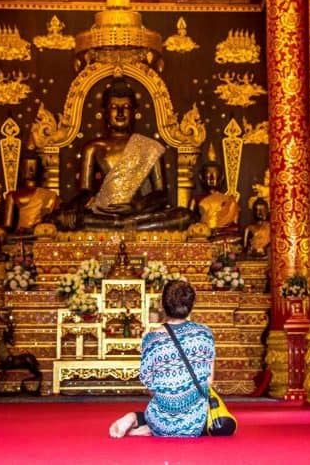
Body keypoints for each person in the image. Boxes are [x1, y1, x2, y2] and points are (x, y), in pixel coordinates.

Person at [54, 81, 197, 231]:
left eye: (126, 107)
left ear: (134, 112)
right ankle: (120, 225)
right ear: (105, 112)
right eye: (114, 107)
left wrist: (137, 205)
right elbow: (85, 191)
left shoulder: (150, 147)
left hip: (137, 214)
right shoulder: (93, 148)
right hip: (104, 214)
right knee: (59, 219)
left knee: (186, 216)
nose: (121, 112)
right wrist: (73, 208)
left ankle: (120, 225)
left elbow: (161, 194)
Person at [109, 280, 215, 437]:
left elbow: (151, 388)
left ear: (162, 304)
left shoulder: (151, 339)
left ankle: (138, 419)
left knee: (162, 405)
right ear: (191, 303)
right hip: (195, 422)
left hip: (160, 420)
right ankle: (144, 424)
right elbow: (209, 381)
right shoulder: (205, 334)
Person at [190, 144, 240, 243]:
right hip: (202, 235)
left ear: (221, 178)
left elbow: (235, 226)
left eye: (215, 175)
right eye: (208, 175)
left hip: (222, 234)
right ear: (201, 177)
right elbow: (191, 224)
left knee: (236, 237)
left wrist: (216, 231)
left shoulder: (228, 200)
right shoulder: (196, 199)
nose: (212, 179)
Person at [3, 153, 60, 234]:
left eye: (34, 166)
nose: (31, 170)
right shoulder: (12, 195)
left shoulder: (50, 195)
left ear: (40, 170)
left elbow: (55, 222)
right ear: (22, 169)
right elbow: (7, 226)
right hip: (20, 237)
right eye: (28, 166)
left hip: (42, 235)